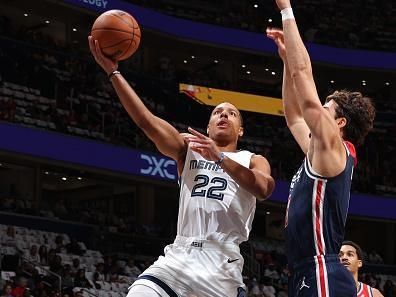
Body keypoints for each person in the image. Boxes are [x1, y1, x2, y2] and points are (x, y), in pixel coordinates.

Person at [88, 36, 275, 297]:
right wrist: (113, 72)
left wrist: (220, 157)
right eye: (217, 112)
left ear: (240, 130)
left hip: (221, 262)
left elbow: (264, 188)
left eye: (231, 113)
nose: (223, 114)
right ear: (208, 127)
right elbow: (146, 121)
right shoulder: (188, 150)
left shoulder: (253, 158)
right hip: (179, 256)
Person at [267, 1, 375, 296]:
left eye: (326, 109)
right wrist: (287, 62)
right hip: (303, 270)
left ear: (339, 122)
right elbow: (293, 116)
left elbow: (305, 80)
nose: (318, 111)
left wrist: (286, 10)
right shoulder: (318, 151)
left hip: (321, 268)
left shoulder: (334, 148)